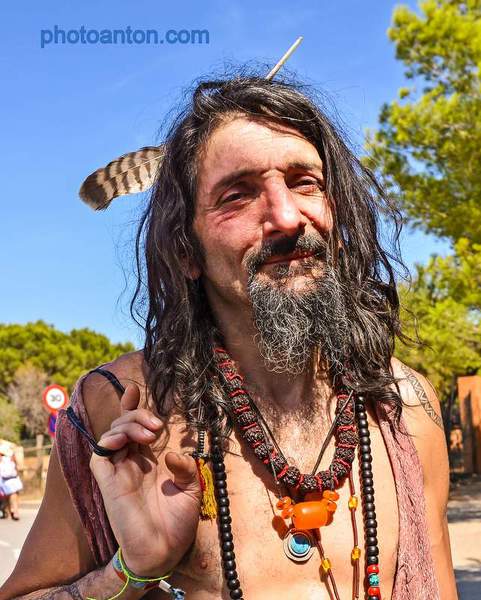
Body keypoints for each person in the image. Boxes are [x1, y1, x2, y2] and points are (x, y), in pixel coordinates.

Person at [0, 74, 458, 600]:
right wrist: (130, 571)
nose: (286, 217)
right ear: (186, 251)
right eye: (237, 195)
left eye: (305, 182)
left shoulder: (406, 407)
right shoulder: (120, 408)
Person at [0, 441, 22, 521]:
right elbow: (17, 466)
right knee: (13, 495)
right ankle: (14, 512)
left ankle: (12, 512)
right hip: (11, 478)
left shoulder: (4, 457)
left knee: (9, 496)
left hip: (7, 479)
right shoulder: (10, 457)